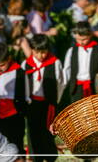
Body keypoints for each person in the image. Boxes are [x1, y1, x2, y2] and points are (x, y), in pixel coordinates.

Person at [21, 34, 64, 162]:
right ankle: (35, 158)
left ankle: (50, 157)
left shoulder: (55, 63)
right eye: (37, 52)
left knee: (48, 132)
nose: (41, 56)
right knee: (33, 132)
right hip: (32, 103)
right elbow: (23, 84)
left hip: (48, 104)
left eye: (44, 52)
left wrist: (55, 101)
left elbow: (61, 83)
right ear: (32, 50)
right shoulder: (26, 64)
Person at [63, 21, 98, 103]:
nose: (81, 42)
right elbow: (66, 71)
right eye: (78, 39)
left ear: (90, 35)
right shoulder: (71, 51)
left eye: (84, 39)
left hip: (94, 88)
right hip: (76, 89)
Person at [0, 43, 27, 156]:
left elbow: (25, 95)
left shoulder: (19, 72)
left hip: (13, 115)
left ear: (9, 59)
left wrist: (21, 110)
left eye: (2, 65)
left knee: (15, 145)